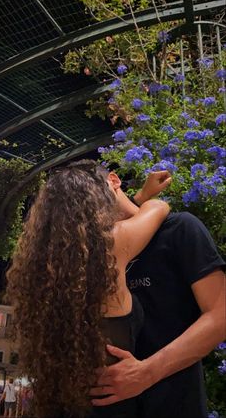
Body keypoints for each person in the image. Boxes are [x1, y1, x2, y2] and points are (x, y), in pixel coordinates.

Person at [5, 159, 171, 418]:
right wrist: (142, 196)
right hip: (112, 408)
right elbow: (159, 207)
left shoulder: (49, 276)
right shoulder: (112, 245)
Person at [91, 170, 226, 418]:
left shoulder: (178, 229)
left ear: (113, 180)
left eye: (87, 192)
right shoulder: (92, 253)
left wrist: (146, 373)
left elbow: (220, 316)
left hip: (175, 404)